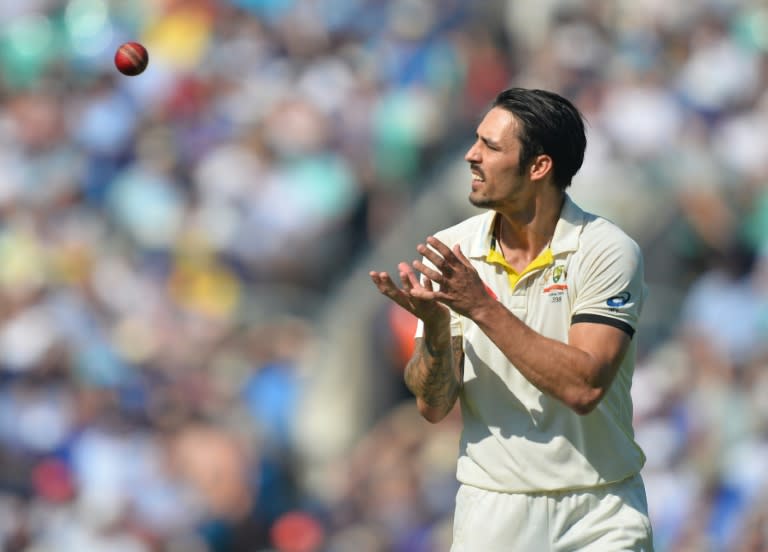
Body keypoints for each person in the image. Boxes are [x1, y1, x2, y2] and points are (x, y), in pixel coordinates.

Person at [369, 87, 653, 551]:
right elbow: (433, 407)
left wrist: (479, 306)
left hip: (599, 510)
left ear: (539, 167)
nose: (471, 155)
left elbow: (583, 388)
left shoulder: (606, 249)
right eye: (476, 140)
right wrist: (437, 331)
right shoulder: (452, 249)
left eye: (491, 147)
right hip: (493, 512)